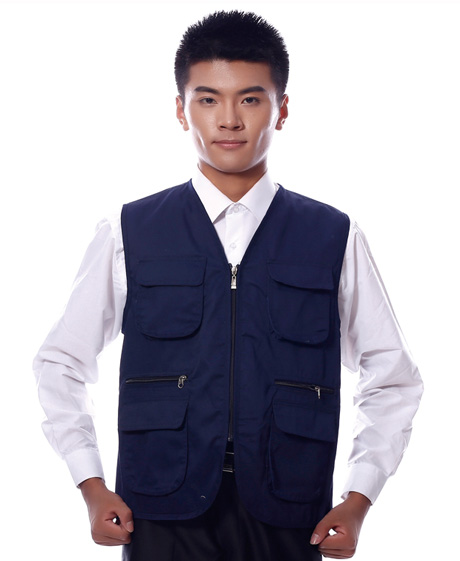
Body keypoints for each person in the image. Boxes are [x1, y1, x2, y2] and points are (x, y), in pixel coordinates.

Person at [33, 10, 423, 561]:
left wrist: (359, 498)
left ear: (281, 110)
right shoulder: (129, 230)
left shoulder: (333, 235)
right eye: (208, 99)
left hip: (291, 515)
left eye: (251, 99)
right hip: (160, 514)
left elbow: (394, 376)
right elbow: (59, 362)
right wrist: (90, 485)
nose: (229, 120)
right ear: (181, 109)